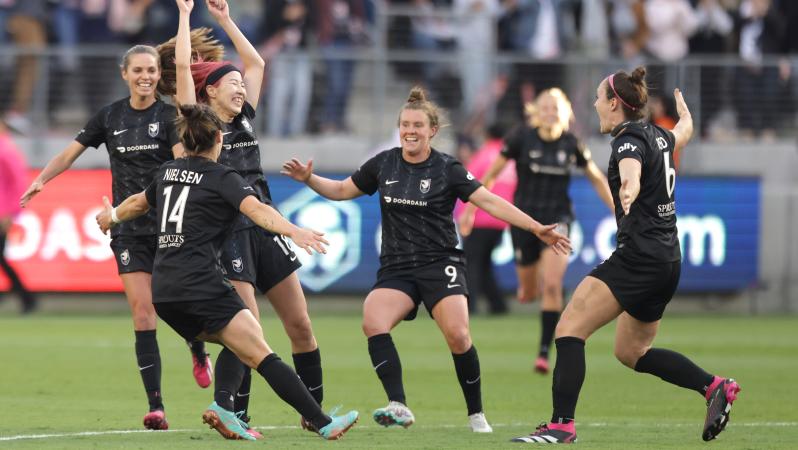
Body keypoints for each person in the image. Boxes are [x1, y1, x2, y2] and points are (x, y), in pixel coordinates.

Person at [281, 86, 571, 433]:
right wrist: (309, 178)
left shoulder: (447, 168)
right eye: (405, 124)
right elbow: (343, 190)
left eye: (418, 125)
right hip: (397, 267)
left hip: (440, 263)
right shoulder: (384, 162)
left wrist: (536, 227)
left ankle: (476, 414)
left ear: (432, 130)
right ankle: (398, 404)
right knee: (373, 321)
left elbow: (489, 201)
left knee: (459, 336)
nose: (410, 131)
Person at [95, 102, 359, 441]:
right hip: (201, 285)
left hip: (166, 292)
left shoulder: (167, 172)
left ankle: (224, 407)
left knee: (237, 341)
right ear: (219, 138)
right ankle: (323, 422)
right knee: (261, 352)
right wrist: (294, 231)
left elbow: (137, 204)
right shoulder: (223, 178)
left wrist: (112, 217)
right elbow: (258, 211)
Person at [511, 67, 740, 444]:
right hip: (668, 260)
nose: (594, 104)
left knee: (568, 328)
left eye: (600, 98)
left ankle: (560, 425)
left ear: (615, 103)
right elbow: (683, 133)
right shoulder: (659, 135)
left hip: (639, 258)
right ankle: (713, 386)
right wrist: (686, 118)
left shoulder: (628, 140)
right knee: (632, 351)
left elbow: (630, 169)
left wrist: (629, 188)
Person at [19, 44, 212, 430]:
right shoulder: (110, 116)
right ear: (124, 73)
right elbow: (70, 154)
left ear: (159, 75)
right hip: (126, 230)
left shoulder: (168, 116)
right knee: (143, 314)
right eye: (138, 70)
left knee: (180, 306)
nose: (145, 76)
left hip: (167, 228)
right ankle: (156, 407)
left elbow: (179, 166)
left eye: (152, 70)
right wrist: (41, 179)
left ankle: (197, 346)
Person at [159, 0, 327, 433]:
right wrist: (183, 15)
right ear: (209, 92)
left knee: (301, 325)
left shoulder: (245, 117)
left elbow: (256, 61)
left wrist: (225, 20)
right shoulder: (196, 123)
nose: (239, 86)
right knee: (247, 329)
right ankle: (236, 413)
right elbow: (182, 70)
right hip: (229, 231)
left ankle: (315, 413)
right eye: (230, 82)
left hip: (265, 225)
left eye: (240, 83)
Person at [460, 88, 614, 374]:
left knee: (553, 286)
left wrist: (619, 212)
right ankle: (528, 289)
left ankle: (544, 352)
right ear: (536, 111)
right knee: (529, 292)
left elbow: (596, 178)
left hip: (558, 222)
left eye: (555, 107)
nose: (549, 112)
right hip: (525, 222)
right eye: (545, 107)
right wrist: (470, 209)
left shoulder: (572, 144)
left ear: (565, 113)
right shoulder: (520, 138)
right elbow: (490, 175)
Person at [456, 123, 515, 315]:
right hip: (500, 220)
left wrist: (464, 214)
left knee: (471, 263)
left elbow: (469, 184)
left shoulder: (483, 155)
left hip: (478, 218)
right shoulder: (509, 159)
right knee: (484, 263)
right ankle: (498, 305)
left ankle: (469, 305)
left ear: (488, 135)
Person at [0, 122, 37, 313]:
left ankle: (26, 298)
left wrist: (12, 212)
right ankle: (26, 297)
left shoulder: (6, 150)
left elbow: (18, 183)